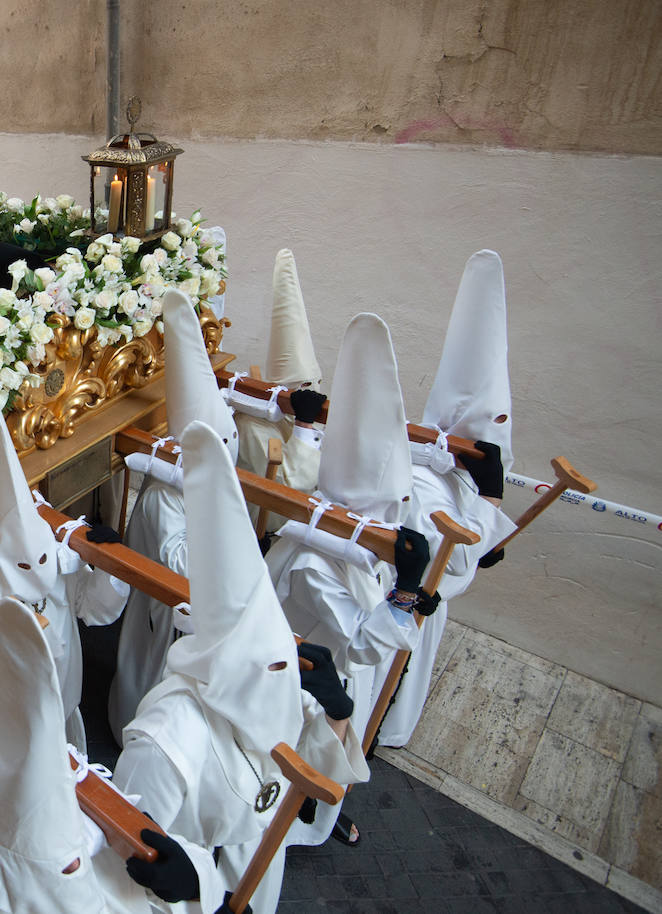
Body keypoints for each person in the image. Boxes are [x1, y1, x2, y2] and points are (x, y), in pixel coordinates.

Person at [114, 421, 369, 914]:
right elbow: (130, 868)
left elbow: (314, 774)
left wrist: (337, 713)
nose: (279, 679)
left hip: (258, 869)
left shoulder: (271, 685)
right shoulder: (165, 742)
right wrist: (201, 894)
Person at [0, 598, 231, 914]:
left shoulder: (92, 843)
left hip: (54, 725)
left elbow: (96, 605)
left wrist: (195, 883)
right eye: (67, 868)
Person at [264, 313, 430, 846]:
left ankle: (322, 808)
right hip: (307, 684)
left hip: (338, 677)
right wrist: (402, 596)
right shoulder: (314, 560)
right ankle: (291, 823)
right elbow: (359, 644)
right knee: (294, 759)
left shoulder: (361, 537)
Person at [376, 250, 516, 748]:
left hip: (426, 604)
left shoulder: (462, 474)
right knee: (391, 681)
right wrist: (491, 504)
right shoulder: (428, 477)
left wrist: (489, 531)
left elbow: (476, 548)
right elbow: (453, 566)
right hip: (407, 603)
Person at [0, 390, 128, 763]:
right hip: (8, 740)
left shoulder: (52, 565)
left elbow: (93, 607)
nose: (40, 572)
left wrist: (110, 565)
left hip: (62, 709)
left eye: (43, 559)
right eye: (25, 567)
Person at [107, 289, 240, 738]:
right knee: (148, 669)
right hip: (164, 609)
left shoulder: (206, 477)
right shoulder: (166, 497)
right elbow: (181, 563)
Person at [229, 249, 326, 535]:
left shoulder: (285, 413)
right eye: (305, 387)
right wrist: (304, 427)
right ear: (287, 389)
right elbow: (291, 488)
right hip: (262, 525)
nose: (314, 392)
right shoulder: (255, 427)